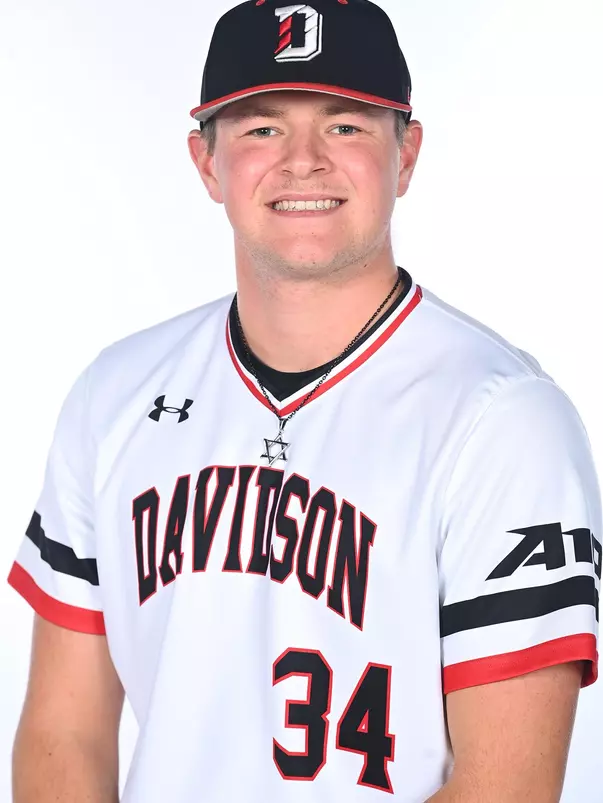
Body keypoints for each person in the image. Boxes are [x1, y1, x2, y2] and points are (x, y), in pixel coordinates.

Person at [8, 1, 601, 801]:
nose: (304, 160)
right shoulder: (114, 395)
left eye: (346, 126)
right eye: (260, 127)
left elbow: (506, 787)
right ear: (207, 162)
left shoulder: (503, 421)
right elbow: (63, 734)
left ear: (407, 154)